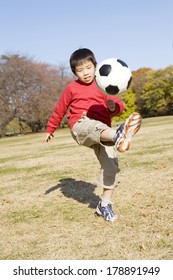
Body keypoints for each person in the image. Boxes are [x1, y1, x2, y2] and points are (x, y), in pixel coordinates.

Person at [44, 48, 141, 222]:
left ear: (95, 66)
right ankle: (118, 134)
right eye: (80, 70)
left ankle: (104, 205)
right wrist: (50, 129)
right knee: (95, 126)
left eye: (88, 67)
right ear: (74, 72)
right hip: (81, 126)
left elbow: (118, 106)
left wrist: (113, 107)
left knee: (111, 166)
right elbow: (59, 109)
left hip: (104, 132)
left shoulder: (103, 84)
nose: (86, 73)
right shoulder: (71, 88)